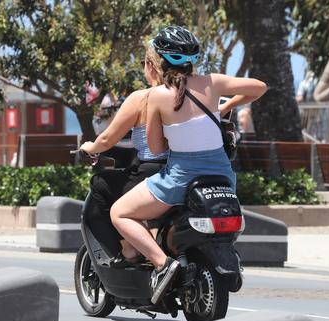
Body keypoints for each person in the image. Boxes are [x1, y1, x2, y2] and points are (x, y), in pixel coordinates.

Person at [110, 26, 267, 303]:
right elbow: (258, 87)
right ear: (193, 58)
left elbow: (157, 148)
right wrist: (223, 106)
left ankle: (162, 264)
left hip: (181, 178)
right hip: (222, 176)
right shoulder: (212, 83)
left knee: (120, 213)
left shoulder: (157, 96)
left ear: (160, 60)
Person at [79, 46, 168, 268]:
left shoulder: (142, 98)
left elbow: (108, 138)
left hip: (152, 172)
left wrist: (91, 147)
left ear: (150, 66)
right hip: (181, 170)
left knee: (101, 185)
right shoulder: (185, 96)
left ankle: (128, 247)